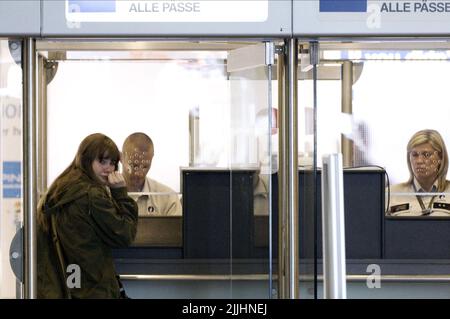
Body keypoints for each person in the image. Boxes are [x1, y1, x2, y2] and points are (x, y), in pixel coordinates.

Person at [37, 133, 138, 298]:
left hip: (67, 284)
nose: (109, 169)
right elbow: (125, 234)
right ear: (86, 160)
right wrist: (120, 193)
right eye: (102, 161)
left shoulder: (61, 187)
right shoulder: (92, 195)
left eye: (112, 163)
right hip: (92, 286)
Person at [388, 129, 450, 216]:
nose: (419, 161)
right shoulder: (391, 194)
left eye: (426, 155)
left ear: (440, 157)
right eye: (414, 155)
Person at [122, 132, 182, 216]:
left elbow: (177, 229)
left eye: (145, 167)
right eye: (134, 165)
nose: (139, 173)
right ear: (121, 158)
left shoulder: (168, 198)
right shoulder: (104, 194)